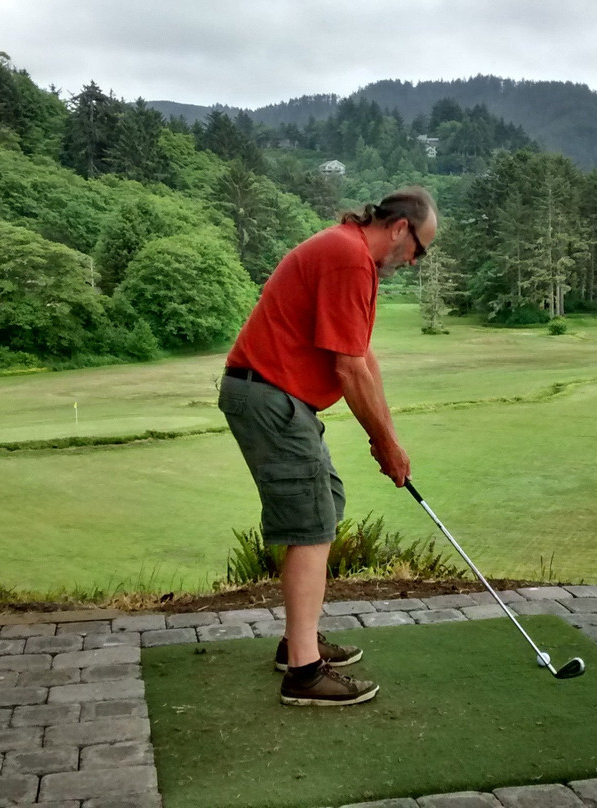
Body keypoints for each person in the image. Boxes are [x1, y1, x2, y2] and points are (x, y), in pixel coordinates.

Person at [218, 187, 437, 706]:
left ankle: (299, 642)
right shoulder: (348, 258)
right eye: (419, 250)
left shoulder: (352, 256)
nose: (415, 262)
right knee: (311, 523)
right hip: (270, 396)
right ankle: (304, 673)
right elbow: (348, 369)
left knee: (324, 505)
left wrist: (390, 439)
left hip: (277, 397)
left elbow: (363, 358)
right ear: (400, 228)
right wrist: (384, 445)